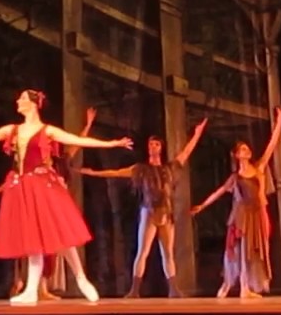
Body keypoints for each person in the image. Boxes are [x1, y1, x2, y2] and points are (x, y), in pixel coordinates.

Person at [0, 88, 132, 305]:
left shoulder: (47, 131)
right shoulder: (13, 130)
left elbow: (77, 140)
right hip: (22, 186)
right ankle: (31, 289)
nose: (18, 101)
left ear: (34, 104)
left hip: (42, 184)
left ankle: (80, 277)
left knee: (59, 230)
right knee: (32, 237)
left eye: (23, 98)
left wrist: (111, 144)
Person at [80, 116, 208, 298]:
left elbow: (186, 152)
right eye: (151, 144)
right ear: (148, 148)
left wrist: (197, 134)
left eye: (156, 144)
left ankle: (173, 288)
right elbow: (116, 173)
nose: (153, 147)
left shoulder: (169, 168)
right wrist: (93, 173)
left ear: (161, 148)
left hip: (166, 213)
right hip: (149, 211)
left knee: (168, 253)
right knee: (143, 252)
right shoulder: (141, 169)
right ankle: (134, 290)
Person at [192, 107, 281, 299]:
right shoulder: (235, 176)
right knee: (240, 249)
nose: (246, 150)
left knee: (255, 250)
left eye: (247, 148)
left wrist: (279, 122)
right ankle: (235, 285)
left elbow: (271, 146)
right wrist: (202, 206)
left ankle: (245, 286)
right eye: (242, 149)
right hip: (242, 214)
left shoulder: (259, 168)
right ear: (236, 155)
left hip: (258, 212)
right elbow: (219, 191)